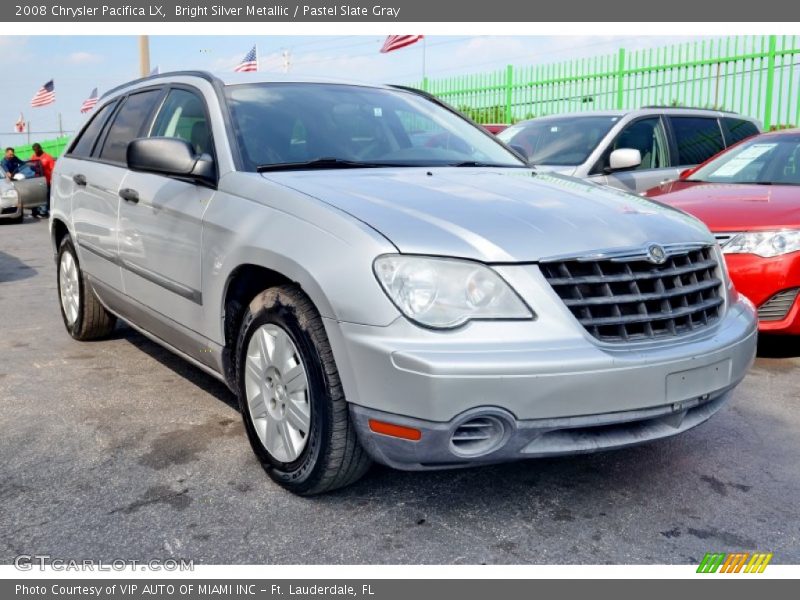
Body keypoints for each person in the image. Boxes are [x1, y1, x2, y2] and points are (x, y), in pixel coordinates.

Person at [27, 143, 55, 218]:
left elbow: (53, 169)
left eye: (37, 150)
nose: (36, 151)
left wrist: (52, 179)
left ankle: (44, 212)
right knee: (35, 196)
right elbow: (30, 167)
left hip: (46, 180)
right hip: (36, 180)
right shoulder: (33, 156)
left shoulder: (48, 157)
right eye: (34, 150)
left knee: (44, 196)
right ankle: (35, 212)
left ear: (40, 148)